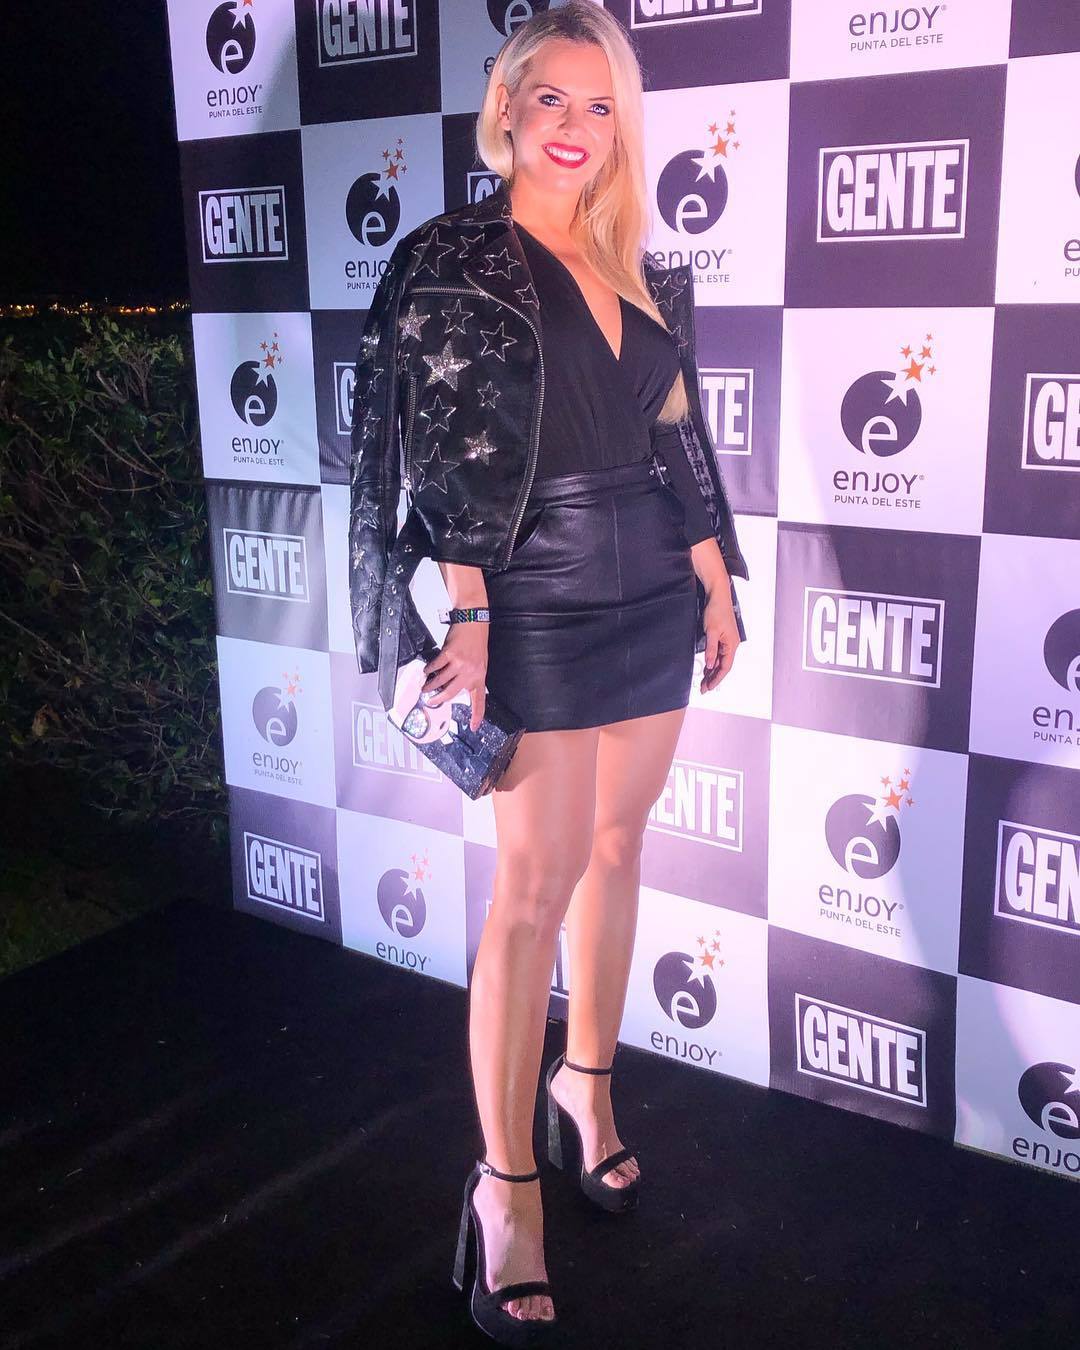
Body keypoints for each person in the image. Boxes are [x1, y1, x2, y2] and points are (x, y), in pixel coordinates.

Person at [363, 6, 744, 1341]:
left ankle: (587, 1084)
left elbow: (679, 435)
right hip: (533, 589)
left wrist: (714, 576)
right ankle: (506, 1184)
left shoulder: (640, 263)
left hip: (653, 585)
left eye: (600, 104)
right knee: (533, 886)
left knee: (622, 847)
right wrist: (466, 615)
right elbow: (442, 450)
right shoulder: (454, 256)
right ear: (508, 109)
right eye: (552, 99)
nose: (576, 126)